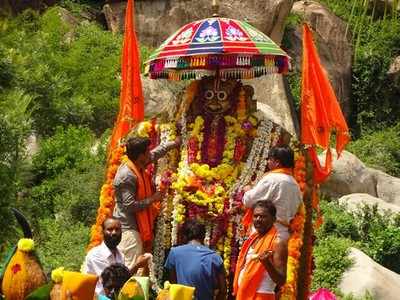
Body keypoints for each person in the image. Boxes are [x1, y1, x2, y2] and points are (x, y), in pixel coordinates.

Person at [113, 136, 179, 269]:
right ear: (140, 156)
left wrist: (174, 144)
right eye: (147, 152)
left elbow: (155, 154)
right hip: (129, 231)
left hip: (136, 229)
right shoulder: (127, 175)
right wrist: (153, 199)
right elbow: (129, 205)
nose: (150, 154)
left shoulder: (137, 164)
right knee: (131, 270)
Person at [242, 146, 302, 241]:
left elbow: (249, 201)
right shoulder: (295, 184)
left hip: (266, 233)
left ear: (277, 162)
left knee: (256, 256)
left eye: (270, 159)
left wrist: (247, 191)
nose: (267, 162)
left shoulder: (272, 179)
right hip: (284, 234)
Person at [233, 201, 287, 300]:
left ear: (274, 219)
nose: (258, 219)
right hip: (244, 294)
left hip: (262, 296)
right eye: (255, 216)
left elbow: (281, 280)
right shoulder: (252, 238)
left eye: (263, 216)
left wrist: (267, 263)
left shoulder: (278, 242)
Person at [164, 220, 226, 300]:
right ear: (203, 237)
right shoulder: (215, 257)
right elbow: (223, 290)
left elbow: (173, 283)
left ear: (184, 236)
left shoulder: (175, 253)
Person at [83, 218, 125, 295]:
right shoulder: (95, 254)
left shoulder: (121, 255)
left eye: (117, 229)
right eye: (110, 229)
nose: (114, 233)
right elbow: (111, 282)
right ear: (103, 232)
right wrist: (137, 265)